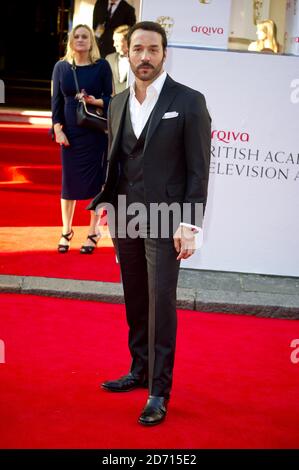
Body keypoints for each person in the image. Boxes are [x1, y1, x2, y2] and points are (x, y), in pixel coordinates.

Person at [88, 21, 211, 425]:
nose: (145, 56)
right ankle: (139, 370)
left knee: (161, 305)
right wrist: (107, 206)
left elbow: (198, 170)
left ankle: (159, 389)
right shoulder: (119, 101)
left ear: (164, 53)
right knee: (137, 298)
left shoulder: (189, 101)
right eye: (137, 49)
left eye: (153, 50)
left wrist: (190, 224)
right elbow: (117, 162)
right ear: (128, 52)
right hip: (127, 216)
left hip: (167, 219)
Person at [51, 24, 113, 254]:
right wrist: (57, 129)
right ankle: (66, 231)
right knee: (68, 185)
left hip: (95, 133)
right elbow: (56, 101)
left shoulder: (102, 66)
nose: (80, 40)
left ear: (91, 41)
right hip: (70, 135)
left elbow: (111, 99)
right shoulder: (61, 67)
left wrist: (94, 101)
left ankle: (92, 231)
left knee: (97, 184)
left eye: (84, 36)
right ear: (70, 41)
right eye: (76, 36)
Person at [105, 25, 129, 94]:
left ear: (128, 41)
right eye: (114, 41)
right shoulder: (109, 59)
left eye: (117, 41)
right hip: (113, 100)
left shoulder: (138, 60)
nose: (114, 44)